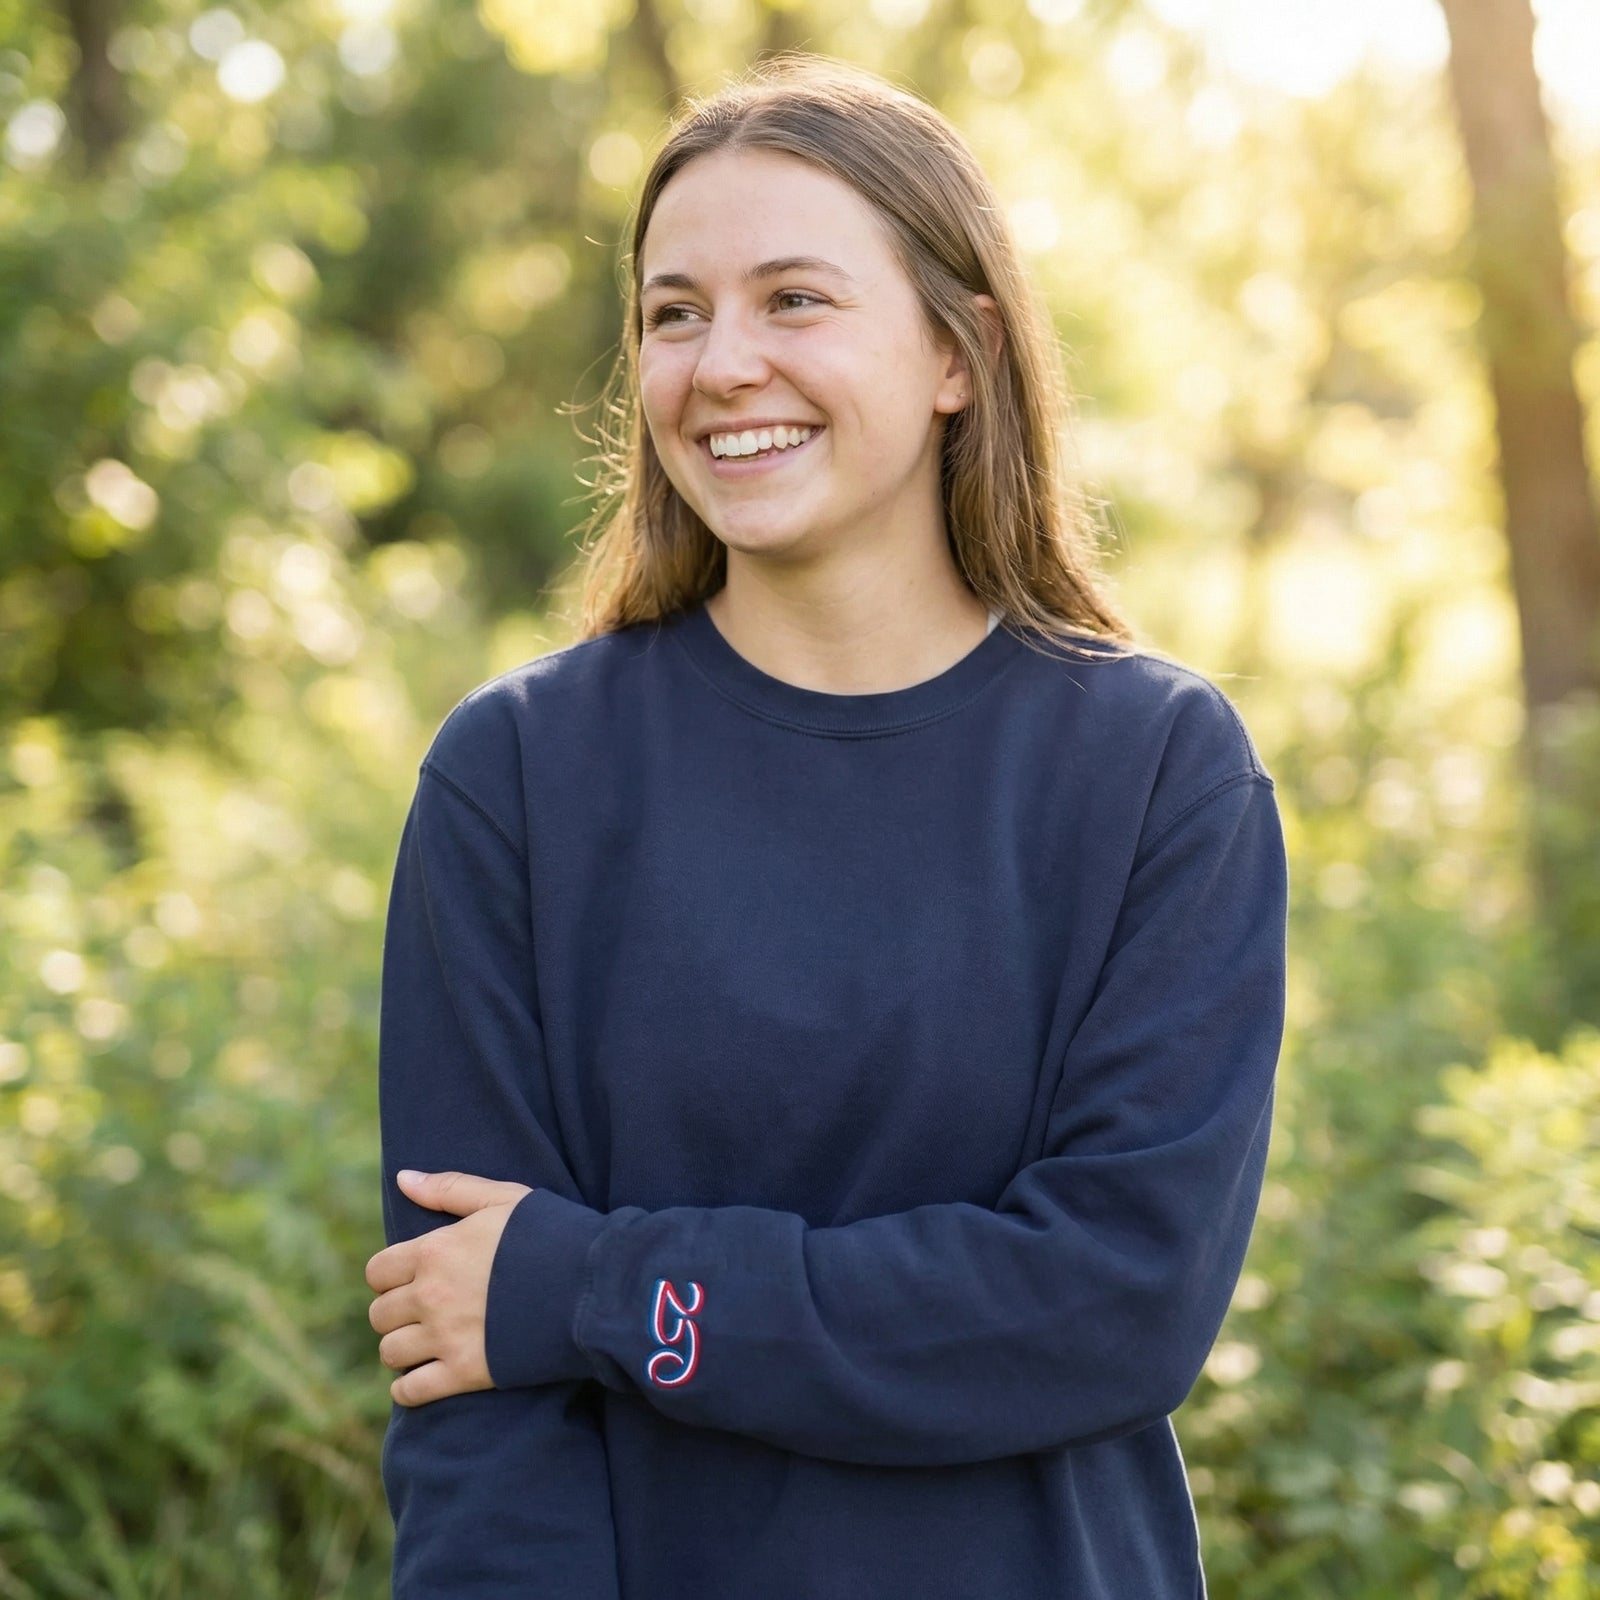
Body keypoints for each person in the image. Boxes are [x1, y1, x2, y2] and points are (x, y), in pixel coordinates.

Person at [364, 51, 1287, 1600]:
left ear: (957, 353)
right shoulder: (515, 777)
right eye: (674, 312)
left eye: (795, 299)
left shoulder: (1155, 771)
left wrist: (594, 1285)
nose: (722, 363)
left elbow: (1110, 1306)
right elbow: (470, 1389)